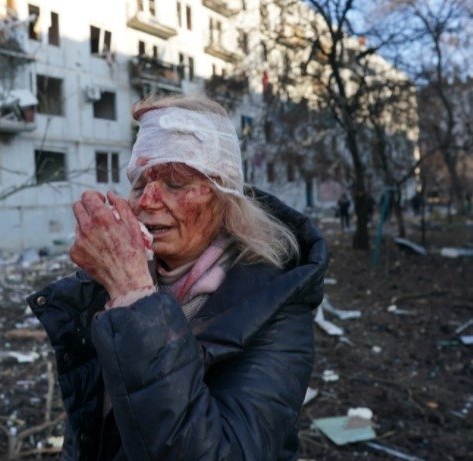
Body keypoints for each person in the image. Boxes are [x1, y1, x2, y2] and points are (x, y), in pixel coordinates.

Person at [27, 96, 328, 459]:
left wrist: (134, 295)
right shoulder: (109, 287)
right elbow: (89, 428)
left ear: (225, 200)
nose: (147, 201)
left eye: (174, 183)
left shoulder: (277, 310)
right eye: (139, 185)